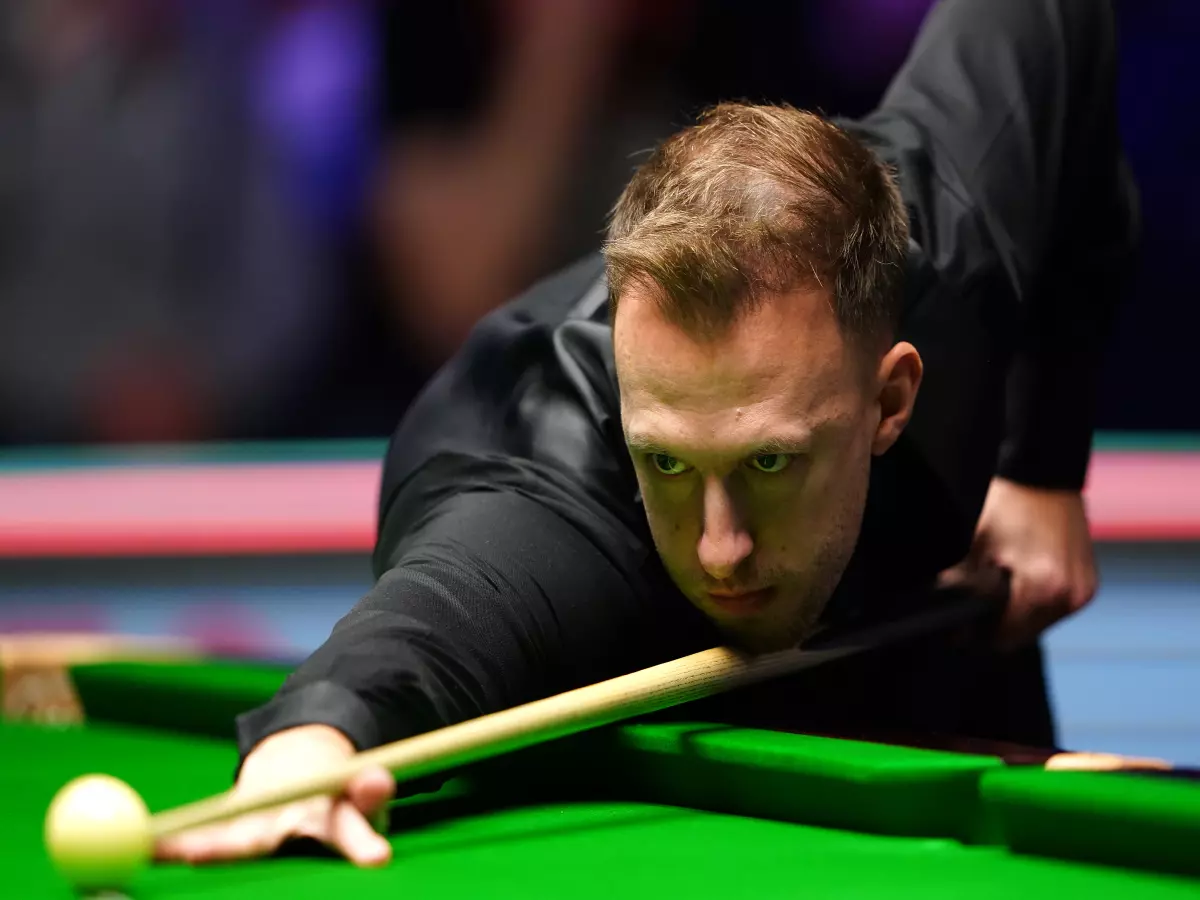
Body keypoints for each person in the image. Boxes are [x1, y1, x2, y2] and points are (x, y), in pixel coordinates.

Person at [157, 0, 1138, 869]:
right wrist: (308, 748)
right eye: (669, 462)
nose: (721, 546)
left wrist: (1042, 466)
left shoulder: (954, 229)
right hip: (620, 632)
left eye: (769, 461)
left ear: (890, 399)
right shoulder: (553, 506)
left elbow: (1058, 20)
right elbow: (423, 632)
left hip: (921, 608)